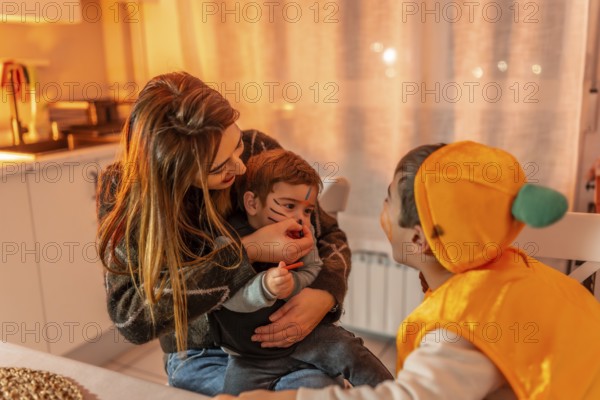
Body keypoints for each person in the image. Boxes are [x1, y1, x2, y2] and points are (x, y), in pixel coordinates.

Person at [217, 141, 600, 399]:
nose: (382, 212)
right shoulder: (513, 270)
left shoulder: (465, 327)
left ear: (417, 238)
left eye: (387, 201)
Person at [96, 71, 352, 396]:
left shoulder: (257, 149)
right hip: (201, 353)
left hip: (280, 335)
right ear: (171, 171)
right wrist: (244, 252)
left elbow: (329, 235)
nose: (241, 167)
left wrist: (326, 295)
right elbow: (131, 318)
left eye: (237, 143)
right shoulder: (123, 191)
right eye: (219, 167)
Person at [211, 149, 393, 394]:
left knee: (348, 348)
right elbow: (225, 297)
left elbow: (314, 267)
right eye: (289, 206)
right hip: (249, 356)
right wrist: (263, 287)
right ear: (252, 203)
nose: (302, 219)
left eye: (307, 211)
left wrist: (295, 282)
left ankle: (398, 393)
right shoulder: (229, 243)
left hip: (308, 339)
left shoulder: (300, 238)